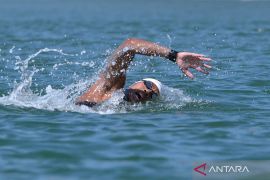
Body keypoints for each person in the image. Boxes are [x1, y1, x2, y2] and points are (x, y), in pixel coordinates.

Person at [76, 38, 211, 107]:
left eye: (153, 95)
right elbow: (130, 45)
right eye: (148, 85)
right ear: (135, 83)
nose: (148, 92)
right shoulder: (107, 88)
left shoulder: (122, 114)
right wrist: (174, 56)